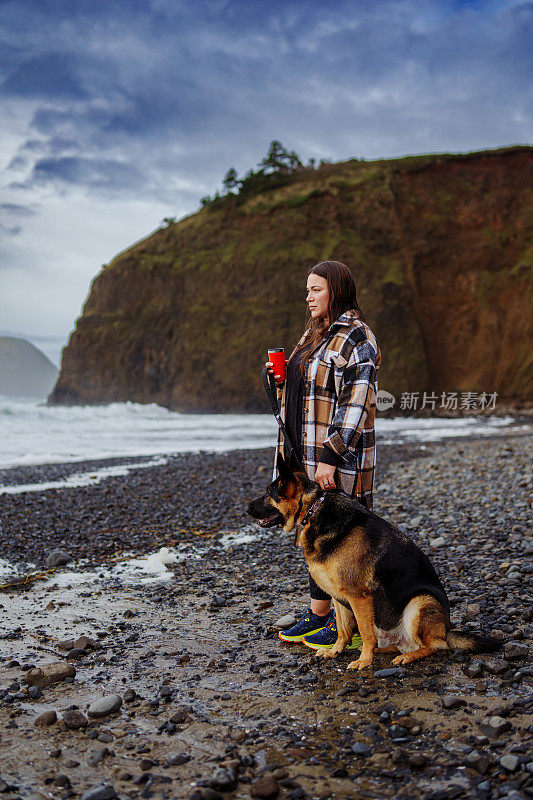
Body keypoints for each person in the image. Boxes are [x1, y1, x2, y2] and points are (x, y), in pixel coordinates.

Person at [266, 260, 381, 651]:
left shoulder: (357, 337)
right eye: (307, 290)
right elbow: (307, 389)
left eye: (316, 289)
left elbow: (356, 402)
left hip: (336, 457)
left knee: (343, 539)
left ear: (336, 288)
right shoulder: (314, 333)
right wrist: (279, 379)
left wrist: (331, 455)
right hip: (302, 453)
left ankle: (345, 619)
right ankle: (320, 612)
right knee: (311, 532)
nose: (308, 296)